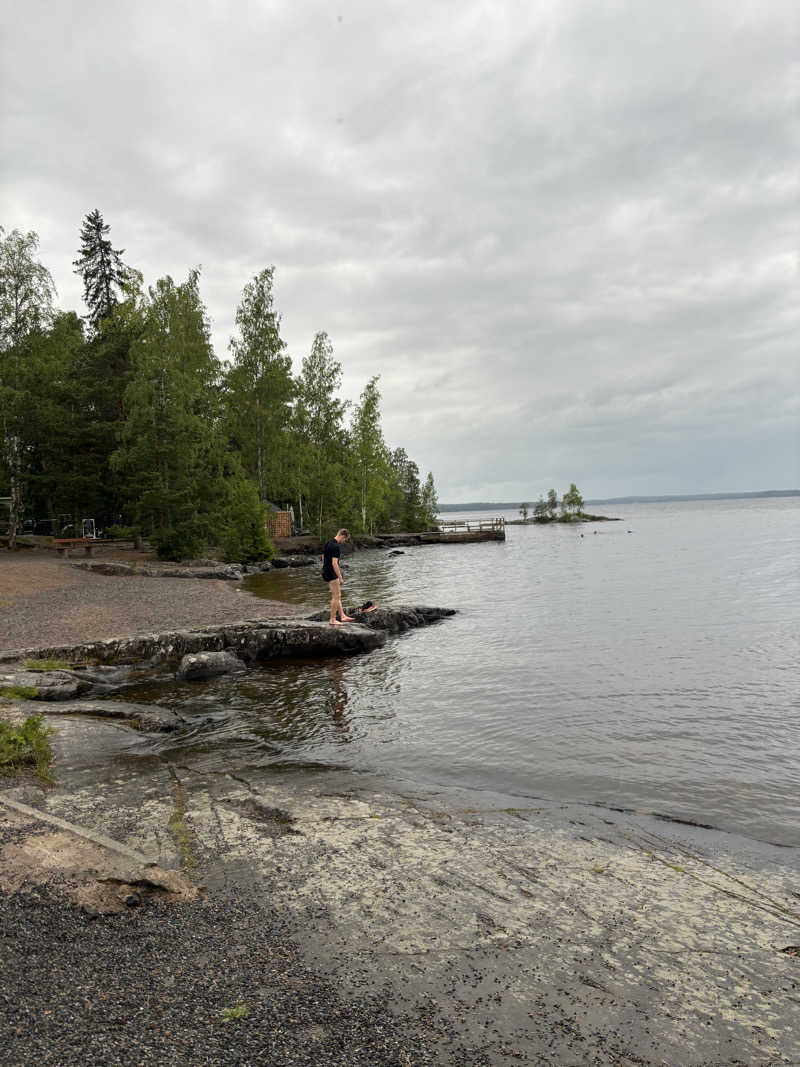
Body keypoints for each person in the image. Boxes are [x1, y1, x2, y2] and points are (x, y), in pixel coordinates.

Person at [322, 528, 353, 626]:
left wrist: (326, 568)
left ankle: (342, 616)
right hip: (331, 573)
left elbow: (323, 557)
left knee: (337, 595)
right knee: (336, 596)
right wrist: (340, 577)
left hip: (326, 571)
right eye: (345, 539)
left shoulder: (328, 543)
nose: (344, 541)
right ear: (342, 536)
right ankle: (332, 619)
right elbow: (335, 563)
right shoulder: (336, 546)